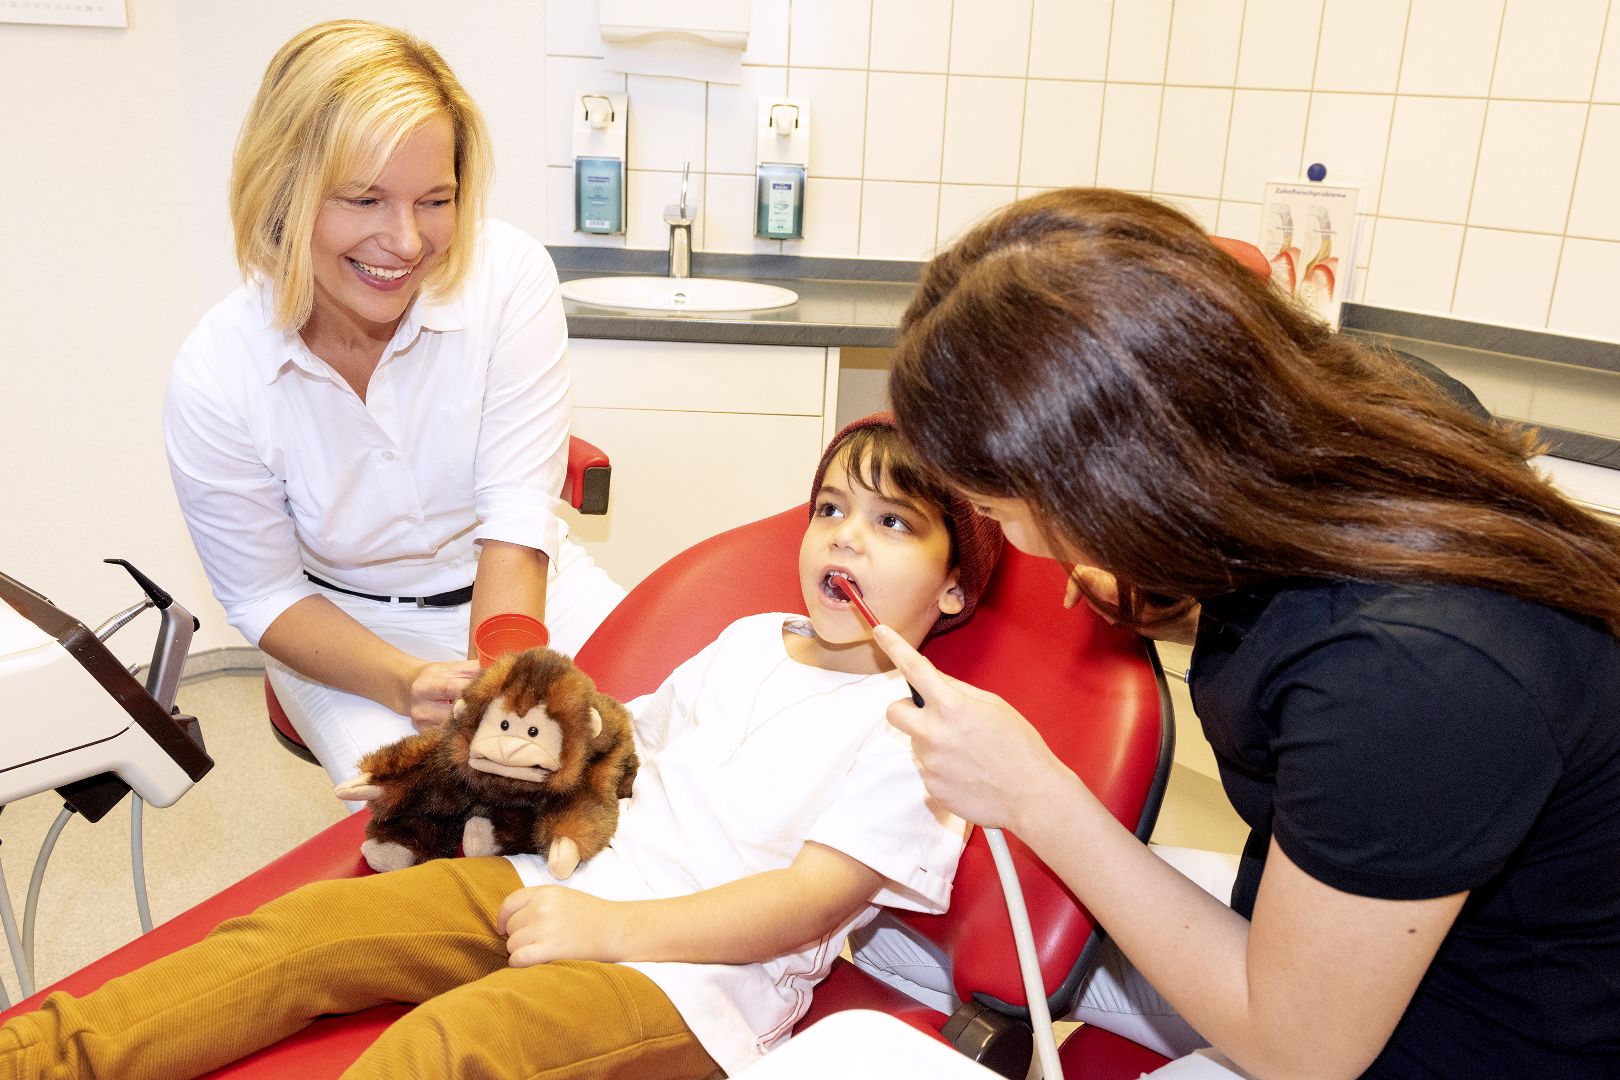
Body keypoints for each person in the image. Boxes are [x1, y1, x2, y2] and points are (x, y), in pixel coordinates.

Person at [867, 189, 1620, 1078]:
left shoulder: (1415, 674)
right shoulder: (1340, 416)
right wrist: (1173, 600)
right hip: (1347, 930)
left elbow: (1303, 1050)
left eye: (1000, 511)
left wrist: (1035, 794)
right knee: (900, 938)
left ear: (1117, 486)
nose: (1020, 542)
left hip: (1456, 1037)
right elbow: (1308, 613)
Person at [0, 414, 1001, 1079]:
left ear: (954, 585)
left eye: (892, 522)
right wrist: (499, 747)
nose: (845, 537)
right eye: (830, 509)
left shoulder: (924, 732)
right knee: (305, 932)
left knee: (447, 1047)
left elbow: (805, 906)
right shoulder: (750, 640)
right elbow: (625, 748)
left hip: (692, 988)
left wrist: (605, 932)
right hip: (564, 887)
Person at [162, 20, 625, 789]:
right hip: (349, 630)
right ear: (283, 191)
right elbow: (267, 594)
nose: (406, 242)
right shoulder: (218, 375)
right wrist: (407, 681)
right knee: (445, 815)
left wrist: (504, 695)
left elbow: (515, 519)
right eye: (365, 199)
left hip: (525, 594)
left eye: (435, 200)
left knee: (670, 751)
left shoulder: (507, 277)